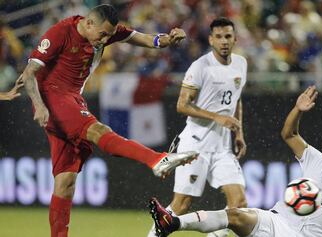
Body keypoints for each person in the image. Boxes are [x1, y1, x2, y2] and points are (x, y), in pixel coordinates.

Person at [19, 4, 197, 237]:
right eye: (102, 34)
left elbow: (144, 39)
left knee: (66, 181)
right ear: (88, 23)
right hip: (53, 97)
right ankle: (156, 159)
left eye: (109, 35)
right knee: (97, 130)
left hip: (72, 99)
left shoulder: (105, 33)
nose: (105, 40)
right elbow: (29, 72)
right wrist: (40, 106)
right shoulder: (60, 32)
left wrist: (169, 39)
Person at [149, 85, 322, 237]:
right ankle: (172, 223)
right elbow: (290, 135)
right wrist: (297, 110)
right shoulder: (321, 165)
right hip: (275, 222)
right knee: (235, 214)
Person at [147, 17, 248, 237]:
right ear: (211, 40)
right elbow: (182, 105)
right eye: (219, 37)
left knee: (239, 203)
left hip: (222, 147)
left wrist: (238, 133)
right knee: (181, 204)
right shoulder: (200, 67)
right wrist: (217, 118)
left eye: (228, 36)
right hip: (195, 145)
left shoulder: (241, 63)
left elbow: (236, 99)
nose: (224, 41)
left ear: (235, 39)